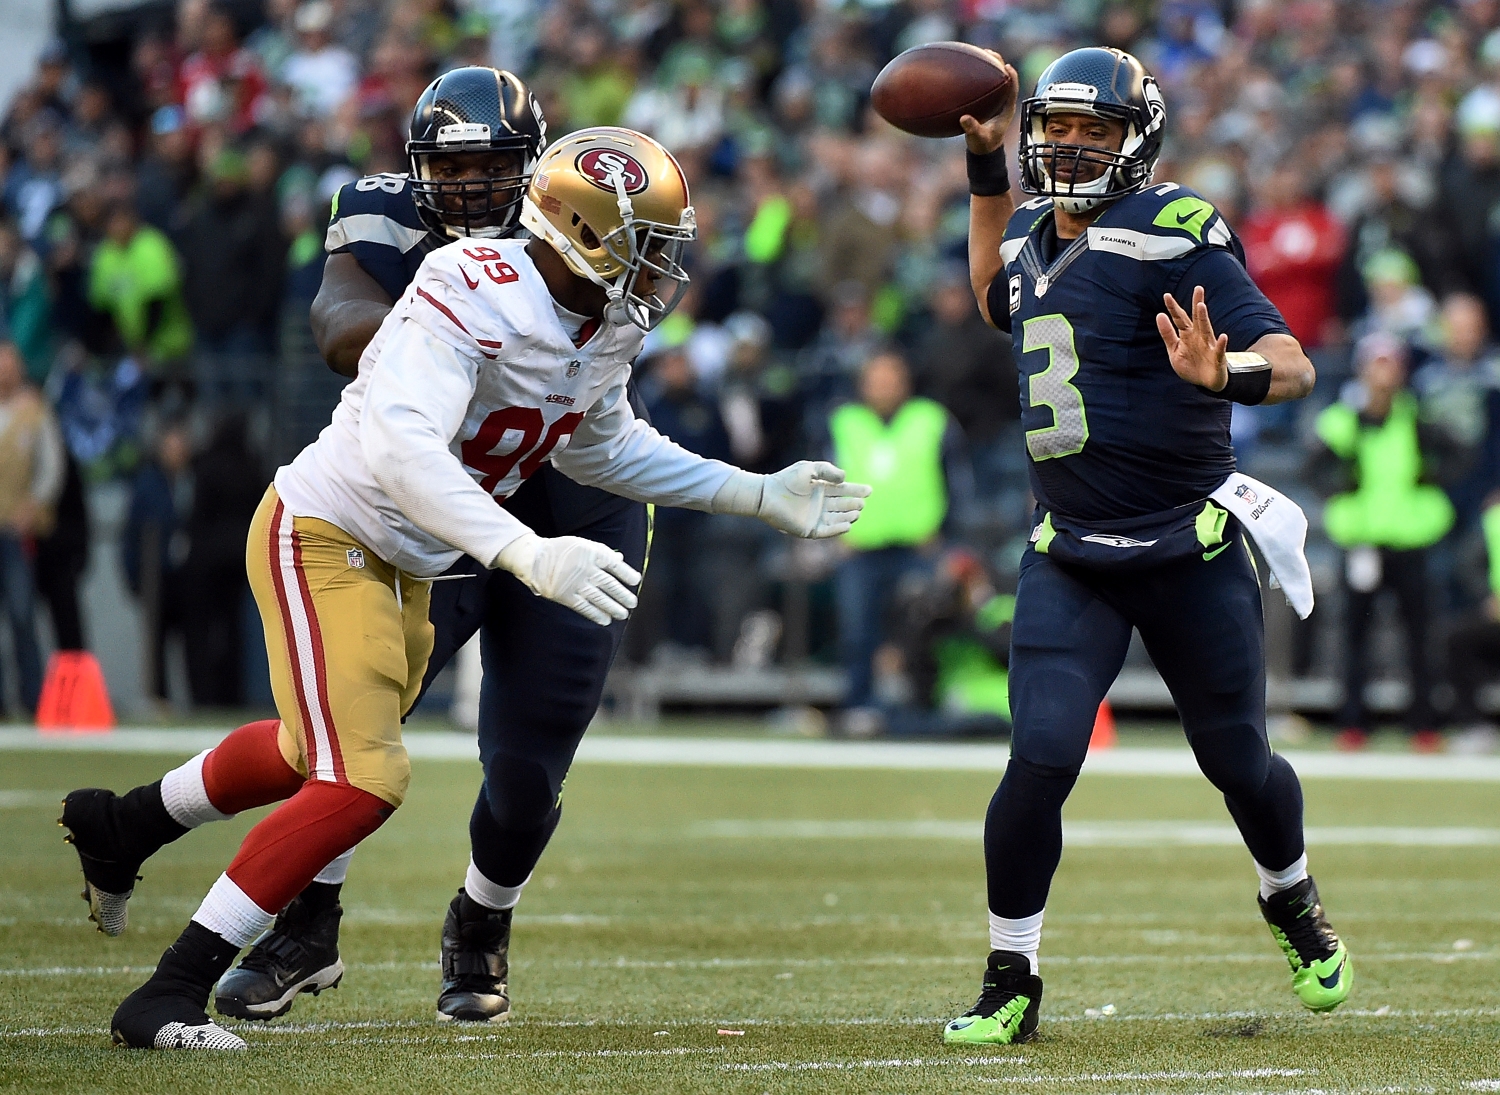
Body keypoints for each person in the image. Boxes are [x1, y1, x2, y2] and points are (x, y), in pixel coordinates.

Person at [65, 124, 868, 1051]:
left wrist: (752, 493)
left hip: (407, 557)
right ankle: (168, 992)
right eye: (649, 246)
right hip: (330, 530)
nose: (664, 271)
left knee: (307, 750)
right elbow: (403, 453)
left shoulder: (602, 320)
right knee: (367, 775)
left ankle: (123, 822)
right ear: (584, 232)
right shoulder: (469, 286)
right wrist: (528, 553)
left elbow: (602, 445)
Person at [945, 47, 1346, 1046]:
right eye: (1060, 129)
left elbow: (1294, 364)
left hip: (1186, 548)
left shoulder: (1174, 233)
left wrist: (1229, 376)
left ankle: (1288, 894)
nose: (1072, 148)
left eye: (1096, 132)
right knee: (1038, 757)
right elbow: (996, 291)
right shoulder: (1036, 238)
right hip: (1071, 550)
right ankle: (1011, 975)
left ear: (1138, 143)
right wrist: (985, 175)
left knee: (1239, 762)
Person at [1309, 333, 1458, 752]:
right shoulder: (1343, 421)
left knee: (1420, 636)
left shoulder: (1419, 419)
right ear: (1363, 369)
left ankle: (1423, 725)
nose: (1383, 372)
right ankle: (1354, 722)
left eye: (1390, 363)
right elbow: (1313, 469)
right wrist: (1341, 485)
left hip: (1411, 538)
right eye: (1377, 363)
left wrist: (1433, 476)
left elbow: (1461, 455)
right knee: (1355, 637)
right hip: (1362, 541)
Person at [830, 350, 967, 732]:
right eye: (876, 378)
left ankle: (920, 708)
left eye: (891, 378)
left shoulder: (932, 419)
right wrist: (832, 534)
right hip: (860, 549)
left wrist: (947, 535)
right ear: (863, 384)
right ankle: (860, 708)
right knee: (858, 632)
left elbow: (958, 481)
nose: (884, 386)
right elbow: (819, 479)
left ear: (905, 382)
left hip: (918, 548)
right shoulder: (843, 421)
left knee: (922, 632)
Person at [0, 339, 64, 714]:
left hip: (12, 530)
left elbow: (51, 467)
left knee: (22, 614)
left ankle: (32, 698)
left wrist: (35, 505)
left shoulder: (34, 412)